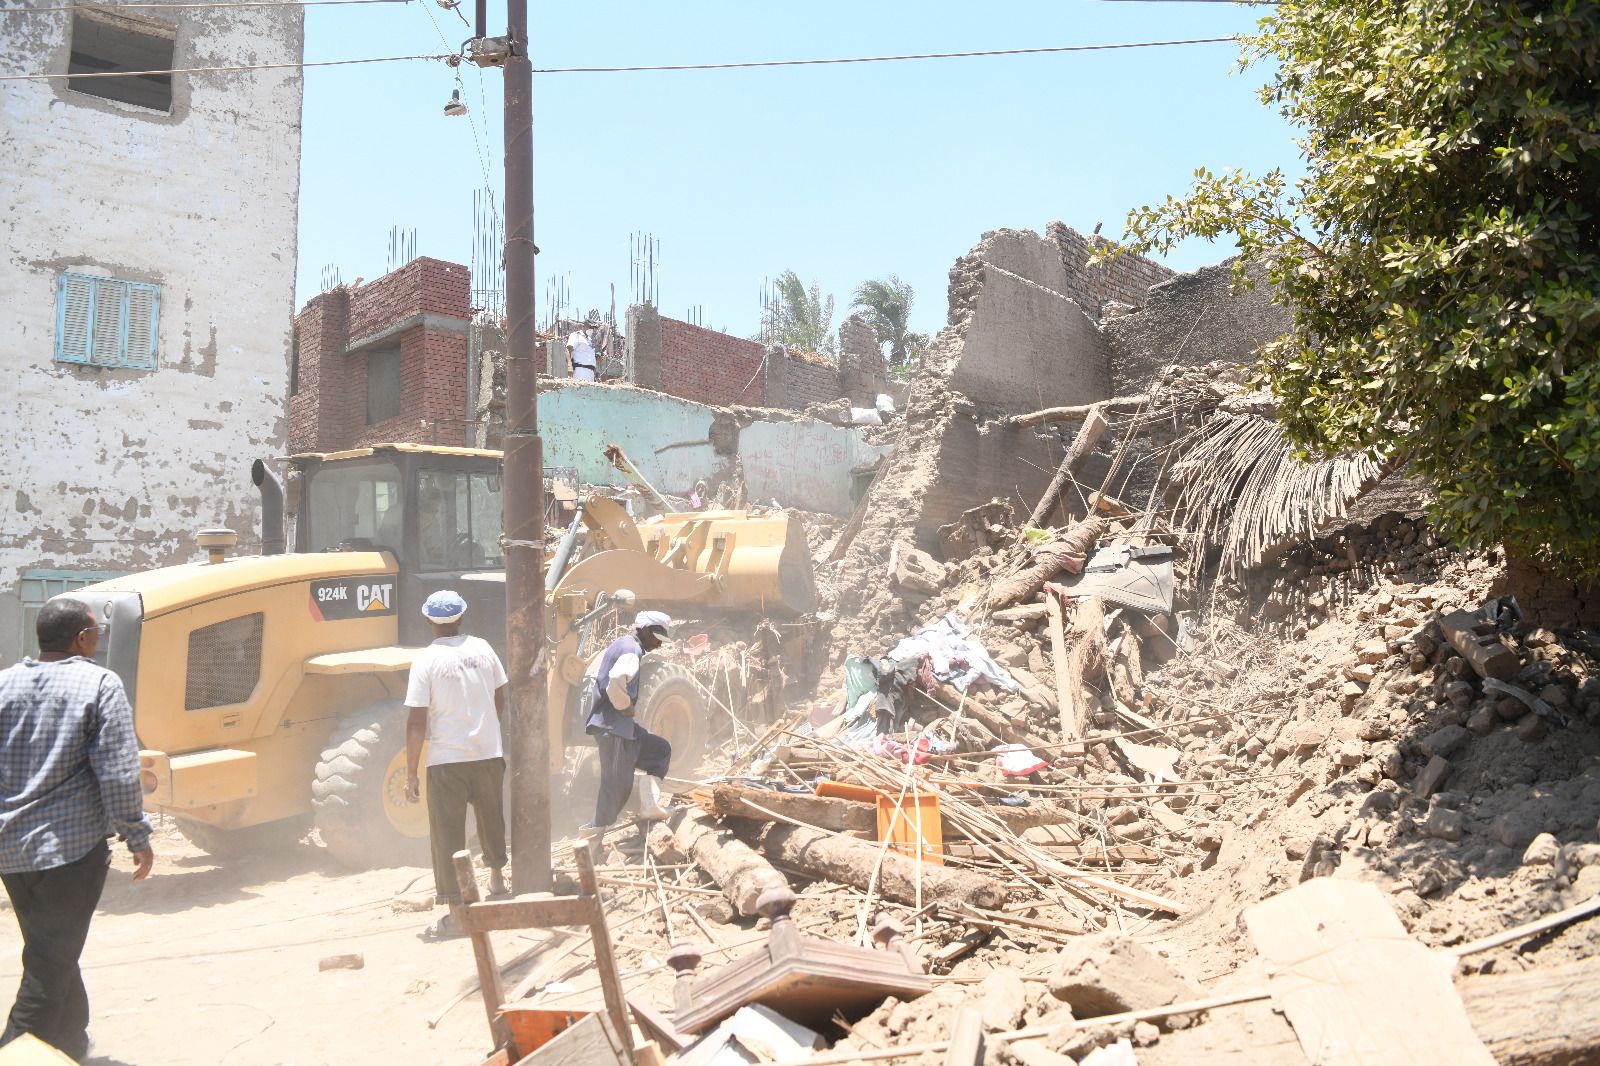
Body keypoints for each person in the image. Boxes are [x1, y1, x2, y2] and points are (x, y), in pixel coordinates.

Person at [0, 599, 154, 1061]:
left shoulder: (3, 684)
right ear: (82, 639)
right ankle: (15, 1051)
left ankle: (70, 1043)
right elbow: (118, 771)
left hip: (10, 851)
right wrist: (137, 834)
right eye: (97, 631)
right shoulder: (100, 683)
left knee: (52, 948)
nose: (99, 638)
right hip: (69, 852)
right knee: (48, 964)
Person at [403, 590, 509, 940]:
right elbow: (500, 696)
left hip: (447, 761)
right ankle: (497, 879)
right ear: (461, 617)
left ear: (429, 621)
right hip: (487, 753)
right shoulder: (483, 648)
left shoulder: (425, 661)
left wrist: (410, 772)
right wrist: (487, 729)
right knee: (491, 816)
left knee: (448, 834)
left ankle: (456, 912)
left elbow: (417, 722)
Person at [581, 611, 676, 836]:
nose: (659, 645)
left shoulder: (626, 645)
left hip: (622, 728)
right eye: (657, 639)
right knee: (615, 785)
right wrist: (625, 706)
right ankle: (593, 835)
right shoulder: (630, 650)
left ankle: (649, 806)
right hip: (612, 727)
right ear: (644, 630)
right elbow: (614, 682)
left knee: (660, 750)